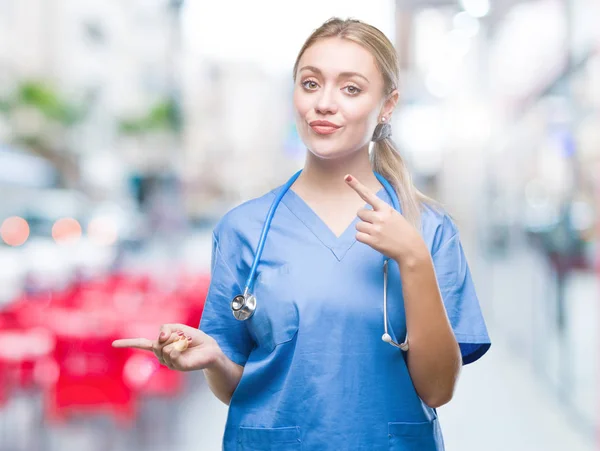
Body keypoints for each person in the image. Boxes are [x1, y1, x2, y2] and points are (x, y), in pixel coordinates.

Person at [113, 17, 491, 450]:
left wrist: (414, 259)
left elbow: (438, 390)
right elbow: (241, 389)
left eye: (351, 88)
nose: (324, 104)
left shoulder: (429, 229)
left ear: (387, 105)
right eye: (310, 84)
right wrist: (216, 360)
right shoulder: (244, 229)